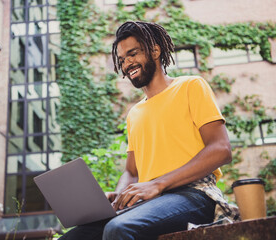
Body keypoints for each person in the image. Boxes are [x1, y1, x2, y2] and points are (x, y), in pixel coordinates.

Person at [59, 21, 239, 240]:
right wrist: (119, 197)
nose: (127, 64)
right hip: (149, 202)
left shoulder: (191, 86)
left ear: (155, 50)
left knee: (118, 228)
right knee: (72, 238)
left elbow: (221, 149)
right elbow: (132, 172)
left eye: (133, 54)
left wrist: (157, 184)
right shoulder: (134, 113)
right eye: (122, 59)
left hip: (195, 195)